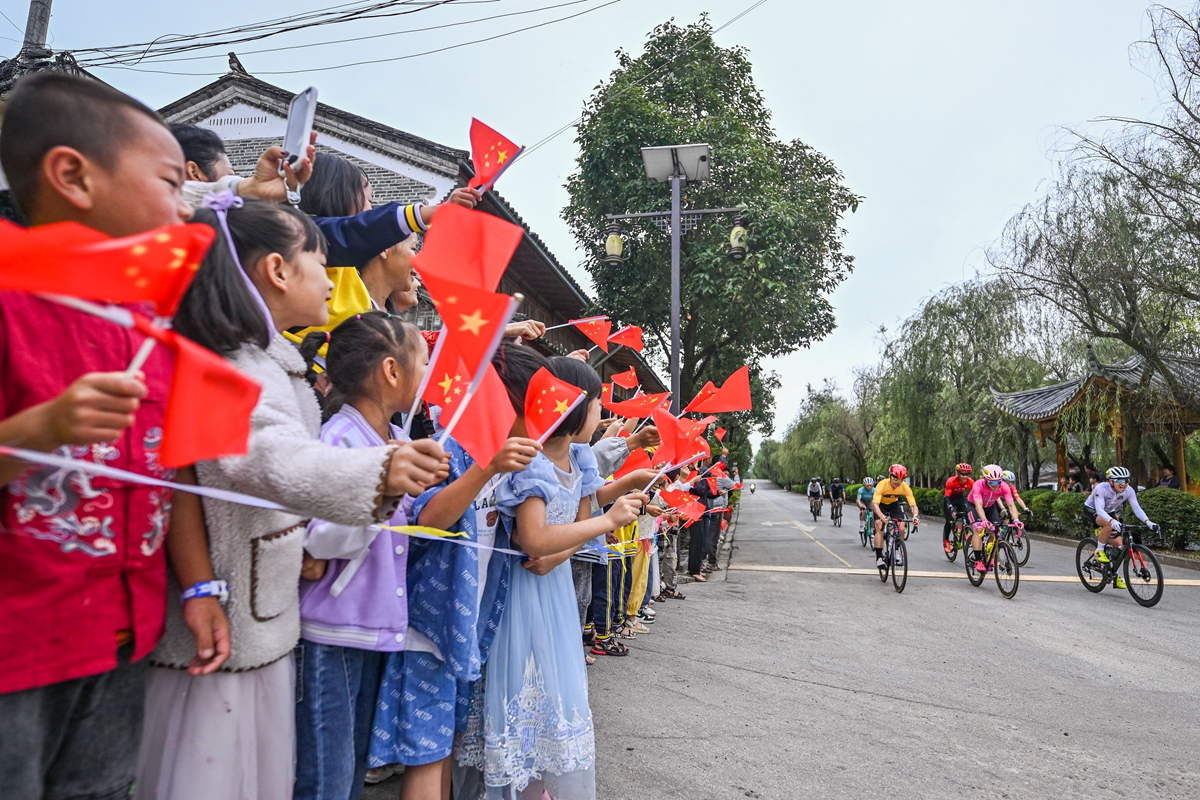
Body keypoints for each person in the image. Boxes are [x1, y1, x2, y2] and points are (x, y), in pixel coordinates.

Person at [135, 198, 445, 800]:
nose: (332, 277)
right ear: (277, 270)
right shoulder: (230, 366)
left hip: (258, 616)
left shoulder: (272, 364)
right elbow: (271, 460)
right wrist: (379, 470)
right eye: (319, 257)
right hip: (229, 628)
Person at [0, 73, 226, 800]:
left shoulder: (150, 333)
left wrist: (195, 583)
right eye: (168, 181)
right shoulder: (9, 301)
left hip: (122, 637)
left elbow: (170, 477)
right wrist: (43, 428)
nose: (182, 205)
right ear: (72, 175)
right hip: (18, 646)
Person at [366, 340, 545, 799]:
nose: (541, 424)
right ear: (506, 403)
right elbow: (426, 521)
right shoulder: (450, 444)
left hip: (462, 629)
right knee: (427, 755)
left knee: (443, 744)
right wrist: (486, 469)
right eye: (536, 410)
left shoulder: (504, 456)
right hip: (430, 625)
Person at [468, 358, 645, 799]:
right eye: (597, 406)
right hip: (521, 596)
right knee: (523, 686)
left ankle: (541, 782)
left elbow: (574, 523)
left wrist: (559, 552)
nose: (602, 416)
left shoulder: (581, 456)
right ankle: (519, 782)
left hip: (556, 592)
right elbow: (533, 539)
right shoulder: (531, 461)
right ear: (570, 406)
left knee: (556, 692)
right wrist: (605, 524)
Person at [287, 312, 433, 800]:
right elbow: (320, 540)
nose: (429, 374)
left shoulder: (395, 439)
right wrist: (384, 490)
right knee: (325, 776)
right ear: (391, 371)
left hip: (369, 628)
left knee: (347, 774)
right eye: (423, 362)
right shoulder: (341, 439)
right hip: (331, 628)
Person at [1084, 466, 1160, 590]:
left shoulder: (1129, 490)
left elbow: (1137, 508)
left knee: (1119, 545)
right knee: (1108, 524)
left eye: (1126, 480)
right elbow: (1099, 510)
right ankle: (1099, 550)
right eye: (1119, 481)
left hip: (1109, 512)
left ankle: (1113, 573)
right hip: (1092, 510)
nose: (1124, 483)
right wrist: (1112, 521)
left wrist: (1148, 522)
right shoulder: (1101, 488)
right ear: (1111, 481)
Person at [965, 465, 1021, 575]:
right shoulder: (978, 485)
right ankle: (978, 560)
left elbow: (1011, 505)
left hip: (990, 507)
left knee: (996, 531)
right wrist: (984, 520)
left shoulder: (1004, 487)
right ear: (986, 480)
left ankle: (990, 556)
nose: (995, 486)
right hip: (974, 506)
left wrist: (1016, 520)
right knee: (979, 529)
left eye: (998, 482)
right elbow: (978, 505)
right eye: (992, 483)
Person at [871, 465, 919, 568]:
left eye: (901, 480)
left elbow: (913, 504)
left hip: (894, 504)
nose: (897, 482)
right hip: (881, 505)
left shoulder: (904, 486)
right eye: (895, 479)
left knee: (902, 525)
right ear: (889, 476)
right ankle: (879, 558)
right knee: (880, 527)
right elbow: (875, 504)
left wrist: (915, 516)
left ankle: (896, 550)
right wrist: (881, 516)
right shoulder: (882, 484)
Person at [943, 463, 974, 554]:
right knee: (949, 521)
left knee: (968, 513)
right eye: (962, 474)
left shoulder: (970, 482)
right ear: (958, 473)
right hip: (949, 499)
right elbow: (946, 497)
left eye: (967, 474)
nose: (965, 476)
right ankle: (946, 541)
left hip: (960, 498)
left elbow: (976, 493)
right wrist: (951, 508)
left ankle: (966, 533)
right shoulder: (951, 481)